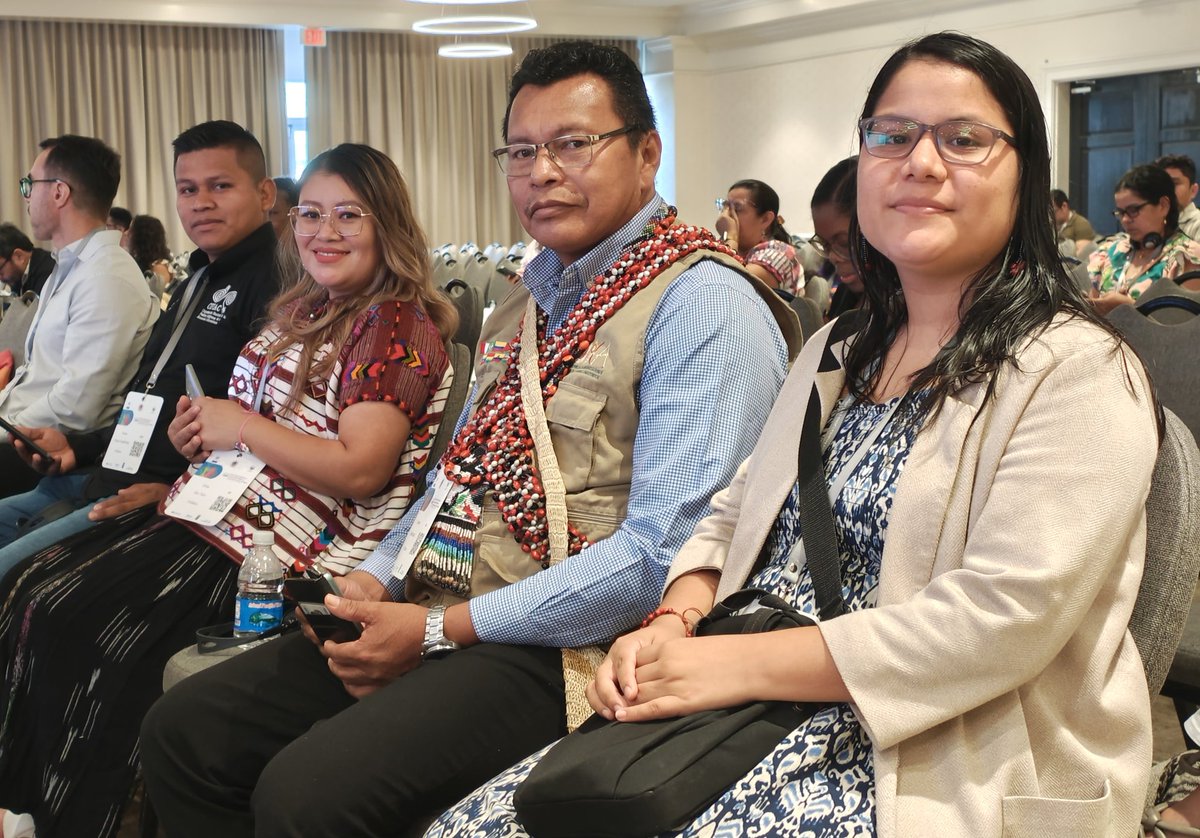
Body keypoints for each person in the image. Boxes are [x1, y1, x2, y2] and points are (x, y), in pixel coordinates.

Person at [430, 31, 1159, 838]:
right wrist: (673, 621)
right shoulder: (841, 348)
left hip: (938, 746)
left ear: (1026, 174)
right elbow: (735, 512)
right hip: (751, 704)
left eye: (964, 140)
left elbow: (996, 624)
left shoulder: (1076, 371)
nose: (921, 163)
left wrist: (723, 664)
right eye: (892, 136)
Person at [140, 40, 800, 838]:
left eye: (572, 144)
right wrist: (375, 582)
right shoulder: (527, 300)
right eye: (521, 151)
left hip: (575, 644)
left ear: (647, 153)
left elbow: (662, 557)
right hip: (447, 596)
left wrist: (431, 632)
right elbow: (453, 479)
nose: (542, 172)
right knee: (187, 732)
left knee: (307, 794)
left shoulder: (705, 305)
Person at [0, 141, 455, 838]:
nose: (324, 232)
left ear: (386, 223)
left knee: (66, 615)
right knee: (29, 587)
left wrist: (238, 426)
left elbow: (361, 469)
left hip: (279, 553)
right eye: (311, 214)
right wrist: (203, 436)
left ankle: (73, 815)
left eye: (348, 215)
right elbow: (267, 430)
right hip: (217, 513)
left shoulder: (393, 321)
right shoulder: (310, 308)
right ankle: (27, 806)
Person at [0, 120, 280, 580]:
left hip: (155, 497)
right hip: (101, 472)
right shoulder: (196, 281)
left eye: (220, 186)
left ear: (265, 193)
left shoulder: (274, 287)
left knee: (10, 577)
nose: (201, 202)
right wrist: (77, 447)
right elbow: (148, 399)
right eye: (187, 189)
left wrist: (180, 490)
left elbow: (273, 431)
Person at [0, 135, 159, 498]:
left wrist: (6, 427)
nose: (26, 196)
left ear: (59, 192)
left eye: (29, 184)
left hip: (51, 448)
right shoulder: (71, 267)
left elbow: (76, 407)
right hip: (23, 431)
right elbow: (35, 377)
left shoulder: (106, 276)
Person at [1088, 164, 1200, 314]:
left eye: (1133, 210)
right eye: (1121, 212)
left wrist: (1131, 308)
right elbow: (1091, 310)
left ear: (1163, 206)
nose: (1125, 220)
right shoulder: (1112, 251)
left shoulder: (1187, 257)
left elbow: (1184, 323)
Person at [715, 178, 804, 296]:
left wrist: (730, 235)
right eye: (725, 207)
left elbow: (726, 283)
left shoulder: (780, 253)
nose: (726, 215)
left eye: (736, 209)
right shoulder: (731, 245)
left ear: (765, 219)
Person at [810, 156, 863, 319]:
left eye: (843, 243)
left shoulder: (912, 311)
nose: (832, 257)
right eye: (825, 244)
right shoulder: (844, 297)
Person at [124, 213, 173, 297]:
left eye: (131, 230)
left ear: (142, 236)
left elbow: (156, 299)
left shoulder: (159, 267)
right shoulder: (138, 262)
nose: (126, 233)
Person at [0, 223, 54, 298]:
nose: (0, 278)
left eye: (0, 269)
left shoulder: (48, 275)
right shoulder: (18, 277)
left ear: (19, 256)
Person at [1156, 154, 1200, 242]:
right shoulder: (1150, 221)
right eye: (1161, 183)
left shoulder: (1197, 223)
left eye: (1174, 183)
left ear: (1193, 190)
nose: (1166, 189)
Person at [1051, 188, 1097, 256]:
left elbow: (1081, 257)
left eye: (1053, 212)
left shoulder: (1081, 224)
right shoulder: (1050, 225)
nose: (1051, 216)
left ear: (1064, 206)